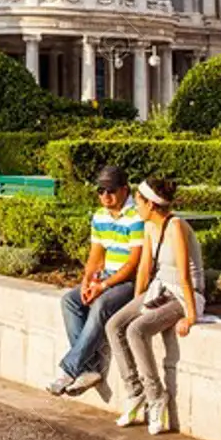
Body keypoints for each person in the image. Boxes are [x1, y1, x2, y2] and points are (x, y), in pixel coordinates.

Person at [105, 177, 205, 435]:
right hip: (158, 290)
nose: (135, 205)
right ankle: (135, 392)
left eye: (138, 201)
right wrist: (137, 302)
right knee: (115, 324)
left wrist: (191, 316)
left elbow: (184, 275)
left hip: (183, 295)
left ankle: (157, 396)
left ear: (150, 204)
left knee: (136, 330)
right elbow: (144, 269)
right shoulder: (149, 226)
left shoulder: (176, 226)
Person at [47, 165, 144, 397]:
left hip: (128, 282)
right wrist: (88, 282)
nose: (105, 196)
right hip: (106, 278)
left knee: (100, 306)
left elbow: (132, 266)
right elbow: (95, 256)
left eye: (110, 190)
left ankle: (71, 369)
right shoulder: (100, 216)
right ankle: (89, 370)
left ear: (124, 189)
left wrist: (103, 287)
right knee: (70, 301)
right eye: (100, 191)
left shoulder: (137, 216)